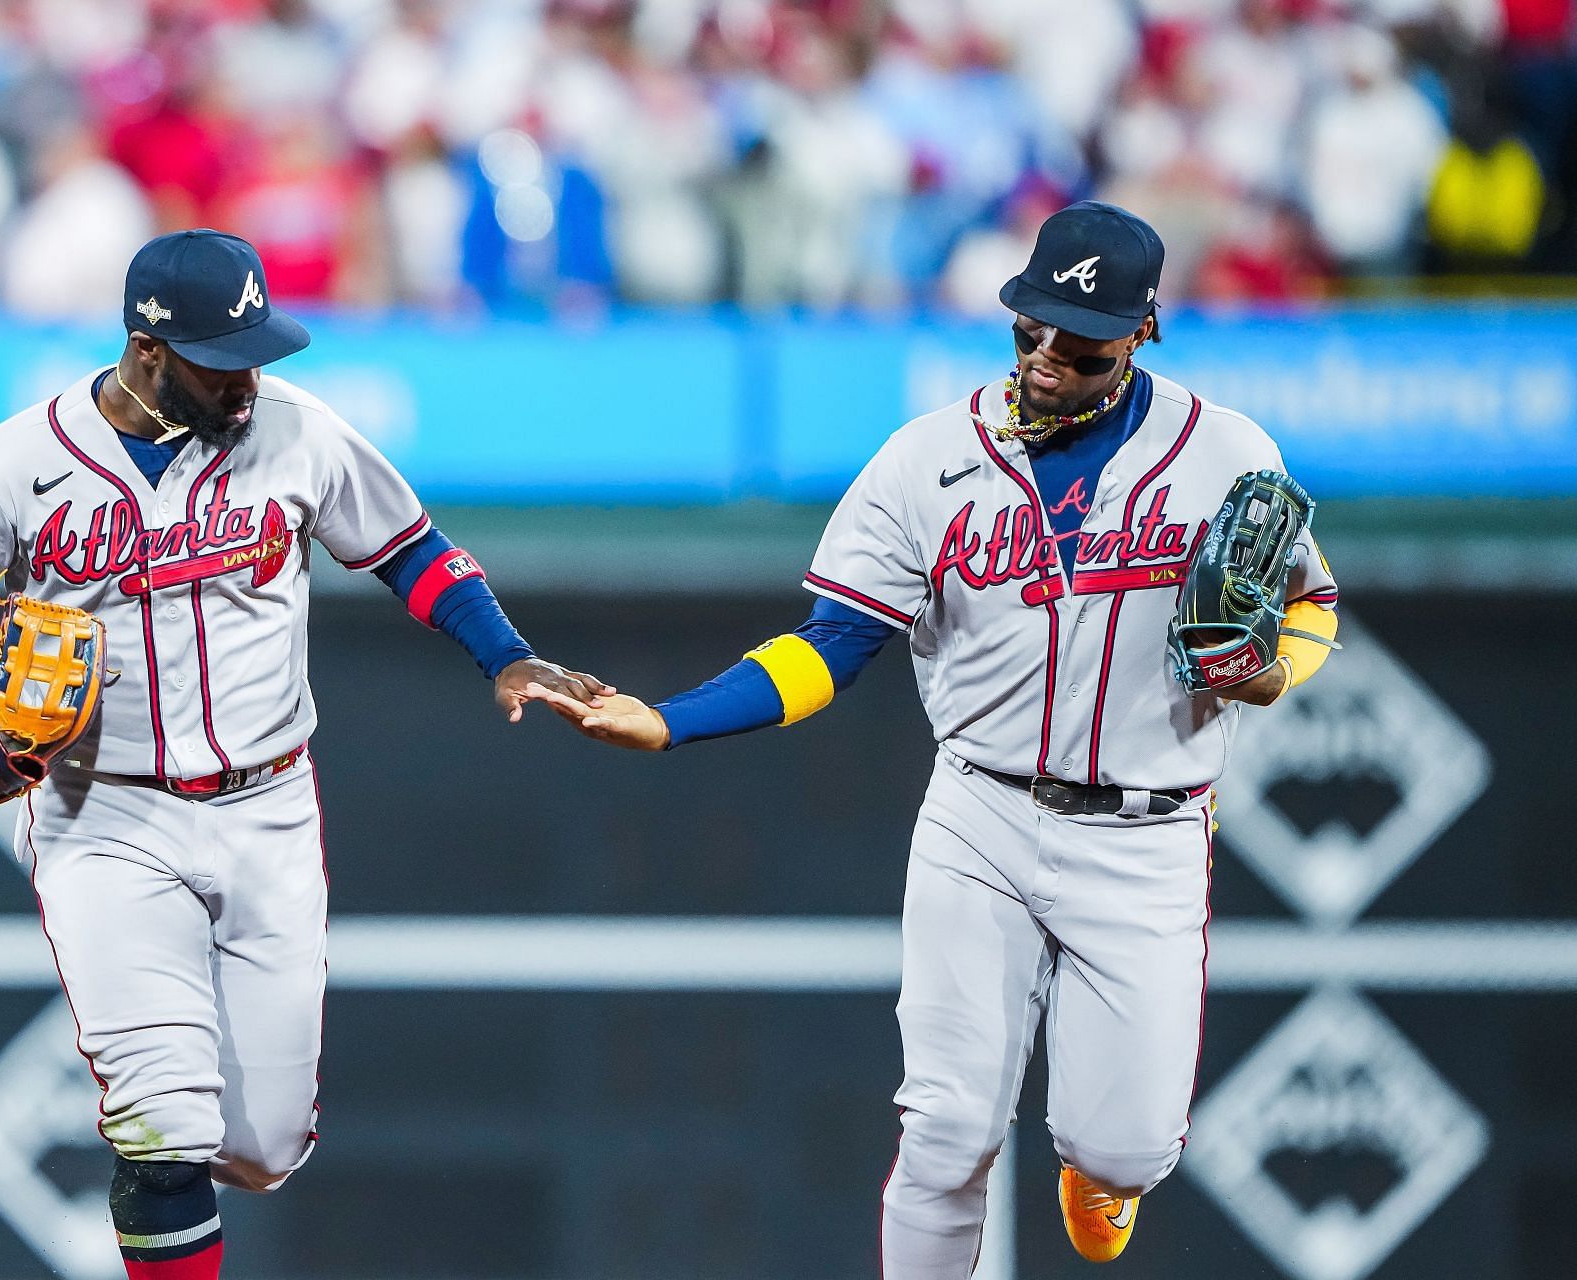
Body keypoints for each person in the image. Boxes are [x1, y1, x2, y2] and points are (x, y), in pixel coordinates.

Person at [526, 202, 1340, 1275]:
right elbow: (833, 643)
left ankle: (1104, 1166)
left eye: (1078, 338)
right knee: (948, 1128)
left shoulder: (1226, 451)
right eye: (1030, 327)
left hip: (1149, 825)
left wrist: (1277, 668)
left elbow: (1310, 601)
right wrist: (674, 719)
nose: (1047, 355)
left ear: (1142, 331)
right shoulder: (926, 461)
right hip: (983, 811)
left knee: (1126, 1143)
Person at [0, 229, 609, 1280]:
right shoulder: (12, 465)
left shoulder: (299, 434)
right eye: (223, 360)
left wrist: (506, 653)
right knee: (163, 1120)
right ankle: (159, 1161)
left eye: (258, 353)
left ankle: (176, 1175)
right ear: (145, 351)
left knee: (264, 1144)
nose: (250, 379)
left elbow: (411, 548)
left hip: (270, 804)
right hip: (105, 815)